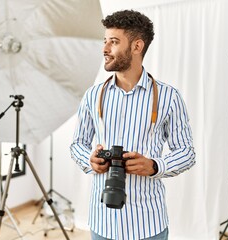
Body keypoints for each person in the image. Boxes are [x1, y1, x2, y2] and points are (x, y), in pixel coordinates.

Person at [70, 9, 196, 240]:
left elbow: (187, 153)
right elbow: (78, 144)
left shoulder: (169, 97)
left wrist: (154, 166)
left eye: (114, 42)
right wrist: (90, 160)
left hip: (148, 223)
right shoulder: (93, 95)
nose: (105, 49)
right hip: (102, 221)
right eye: (105, 41)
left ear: (137, 46)